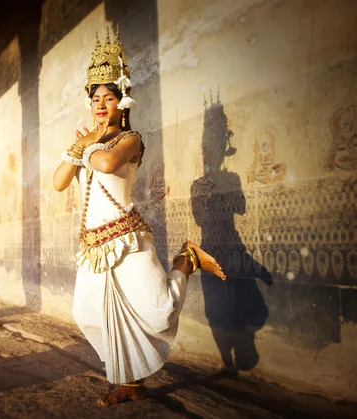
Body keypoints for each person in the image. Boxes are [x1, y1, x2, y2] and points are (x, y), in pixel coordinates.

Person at [53, 28, 226, 406]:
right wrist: (78, 147)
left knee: (160, 310)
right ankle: (131, 383)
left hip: (128, 238)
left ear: (122, 102)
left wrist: (86, 143)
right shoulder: (87, 144)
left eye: (109, 98)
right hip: (95, 246)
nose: (101, 105)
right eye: (95, 98)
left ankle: (187, 259)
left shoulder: (130, 140)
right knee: (89, 312)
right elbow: (59, 181)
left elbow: (104, 161)